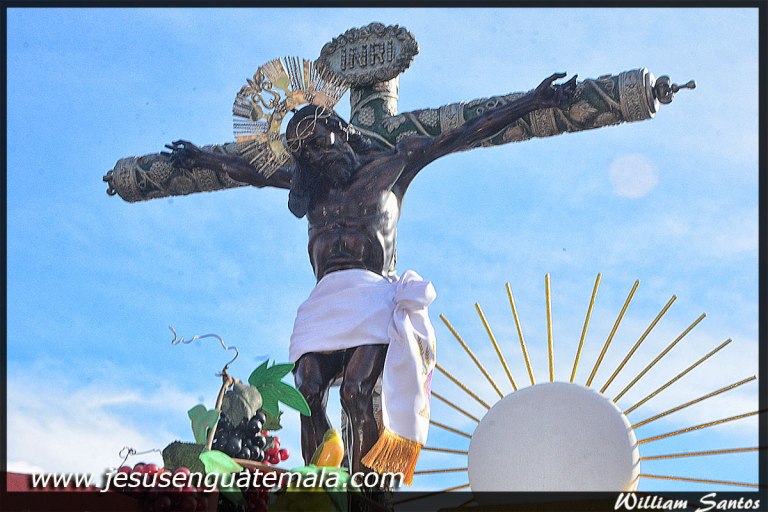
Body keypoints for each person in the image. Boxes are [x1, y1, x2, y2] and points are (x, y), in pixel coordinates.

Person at [166, 72, 578, 480]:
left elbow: (465, 132)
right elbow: (250, 171)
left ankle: (365, 489)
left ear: (339, 128)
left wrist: (532, 101)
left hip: (370, 296)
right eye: (304, 152)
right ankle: (320, 482)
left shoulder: (393, 163)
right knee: (306, 391)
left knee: (354, 392)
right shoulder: (310, 184)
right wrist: (202, 158)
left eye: (317, 141)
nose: (314, 154)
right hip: (323, 302)